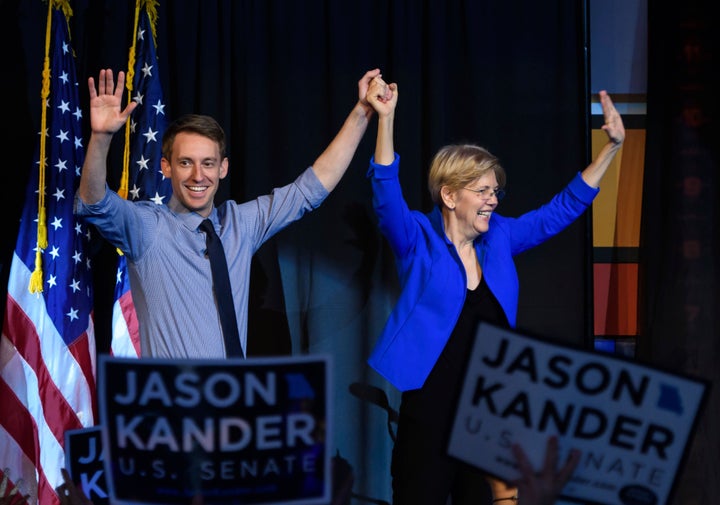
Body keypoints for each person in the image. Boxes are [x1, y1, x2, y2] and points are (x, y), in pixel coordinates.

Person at [364, 76, 624, 505]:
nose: (493, 200)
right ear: (449, 195)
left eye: (495, 191)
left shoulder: (499, 238)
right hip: (429, 414)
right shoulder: (416, 238)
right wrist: (385, 119)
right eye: (481, 191)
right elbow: (385, 190)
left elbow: (559, 211)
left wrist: (610, 149)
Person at [75, 68, 380, 358]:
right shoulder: (146, 228)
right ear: (165, 167)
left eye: (208, 163)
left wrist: (362, 111)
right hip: (173, 407)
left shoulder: (240, 225)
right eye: (185, 163)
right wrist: (101, 137)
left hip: (233, 403)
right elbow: (94, 202)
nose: (198, 175)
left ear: (223, 168)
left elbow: (310, 189)